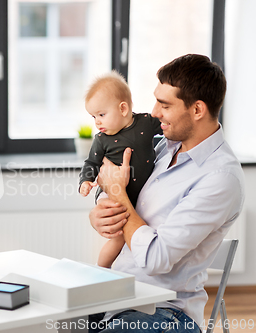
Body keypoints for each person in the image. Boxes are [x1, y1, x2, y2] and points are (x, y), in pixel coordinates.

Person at [88, 54, 244, 332]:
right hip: (118, 298)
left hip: (165, 313)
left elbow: (155, 258)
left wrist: (119, 196)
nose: (155, 112)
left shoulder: (220, 178)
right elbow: (117, 187)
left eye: (165, 104)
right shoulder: (162, 147)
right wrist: (101, 211)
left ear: (197, 110)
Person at [79, 71, 162, 268]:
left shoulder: (145, 124)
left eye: (101, 114)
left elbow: (169, 125)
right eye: (93, 117)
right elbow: (91, 163)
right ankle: (101, 270)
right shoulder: (101, 140)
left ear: (123, 108)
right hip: (109, 193)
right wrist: (85, 181)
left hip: (134, 193)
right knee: (118, 238)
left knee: (133, 232)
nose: (97, 122)